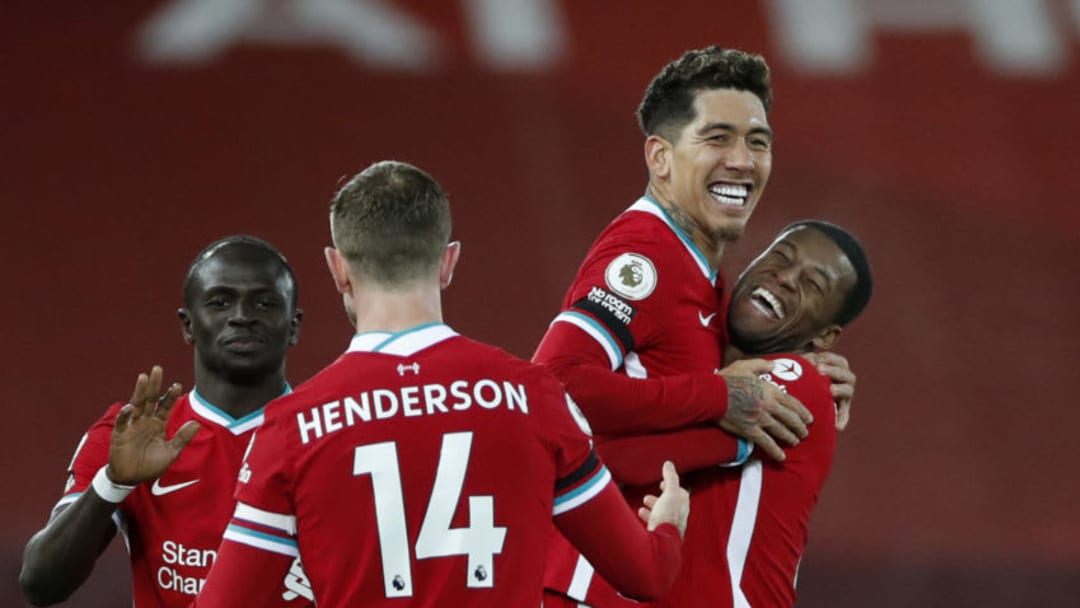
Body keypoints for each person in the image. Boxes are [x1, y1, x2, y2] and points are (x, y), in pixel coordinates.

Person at [191, 161, 691, 607]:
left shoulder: (293, 426)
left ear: (337, 268)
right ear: (449, 262)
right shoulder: (535, 396)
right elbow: (645, 575)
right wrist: (669, 522)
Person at [534, 47, 855, 606]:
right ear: (660, 157)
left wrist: (807, 369)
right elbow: (552, 385)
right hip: (587, 588)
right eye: (717, 138)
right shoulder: (645, 256)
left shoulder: (703, 276)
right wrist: (716, 395)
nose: (742, 160)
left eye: (758, 142)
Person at [550, 220, 872, 607]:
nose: (785, 278)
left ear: (825, 337)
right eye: (780, 257)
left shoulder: (795, 381)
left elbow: (626, 462)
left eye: (813, 284)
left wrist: (571, 443)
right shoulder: (701, 353)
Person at [19, 236, 312, 607]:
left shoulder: (328, 430)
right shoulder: (130, 433)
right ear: (188, 325)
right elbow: (40, 583)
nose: (242, 315)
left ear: (294, 325)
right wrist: (113, 483)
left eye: (265, 302)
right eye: (220, 301)